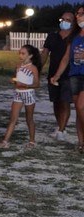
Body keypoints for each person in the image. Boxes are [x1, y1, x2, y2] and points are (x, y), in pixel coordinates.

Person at [51, 5, 84, 153]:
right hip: (75, 75)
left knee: (81, 107)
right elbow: (66, 58)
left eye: (82, 14)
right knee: (78, 109)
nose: (79, 16)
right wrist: (57, 74)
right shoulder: (75, 36)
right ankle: (81, 142)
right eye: (78, 13)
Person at [0, 45, 41, 149]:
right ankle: (5, 141)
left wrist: (24, 85)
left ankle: (32, 141)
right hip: (18, 93)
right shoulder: (18, 66)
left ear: (30, 56)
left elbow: (37, 84)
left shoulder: (33, 68)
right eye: (19, 53)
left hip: (28, 93)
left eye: (23, 53)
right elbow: (18, 80)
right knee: (13, 118)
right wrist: (14, 81)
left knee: (29, 119)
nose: (20, 55)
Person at [41, 11, 74, 141]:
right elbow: (44, 54)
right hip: (53, 73)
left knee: (65, 101)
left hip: (69, 75)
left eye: (68, 20)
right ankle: (59, 124)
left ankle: (62, 129)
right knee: (56, 101)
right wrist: (37, 68)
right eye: (63, 19)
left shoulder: (75, 37)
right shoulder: (52, 36)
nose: (65, 22)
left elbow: (67, 58)